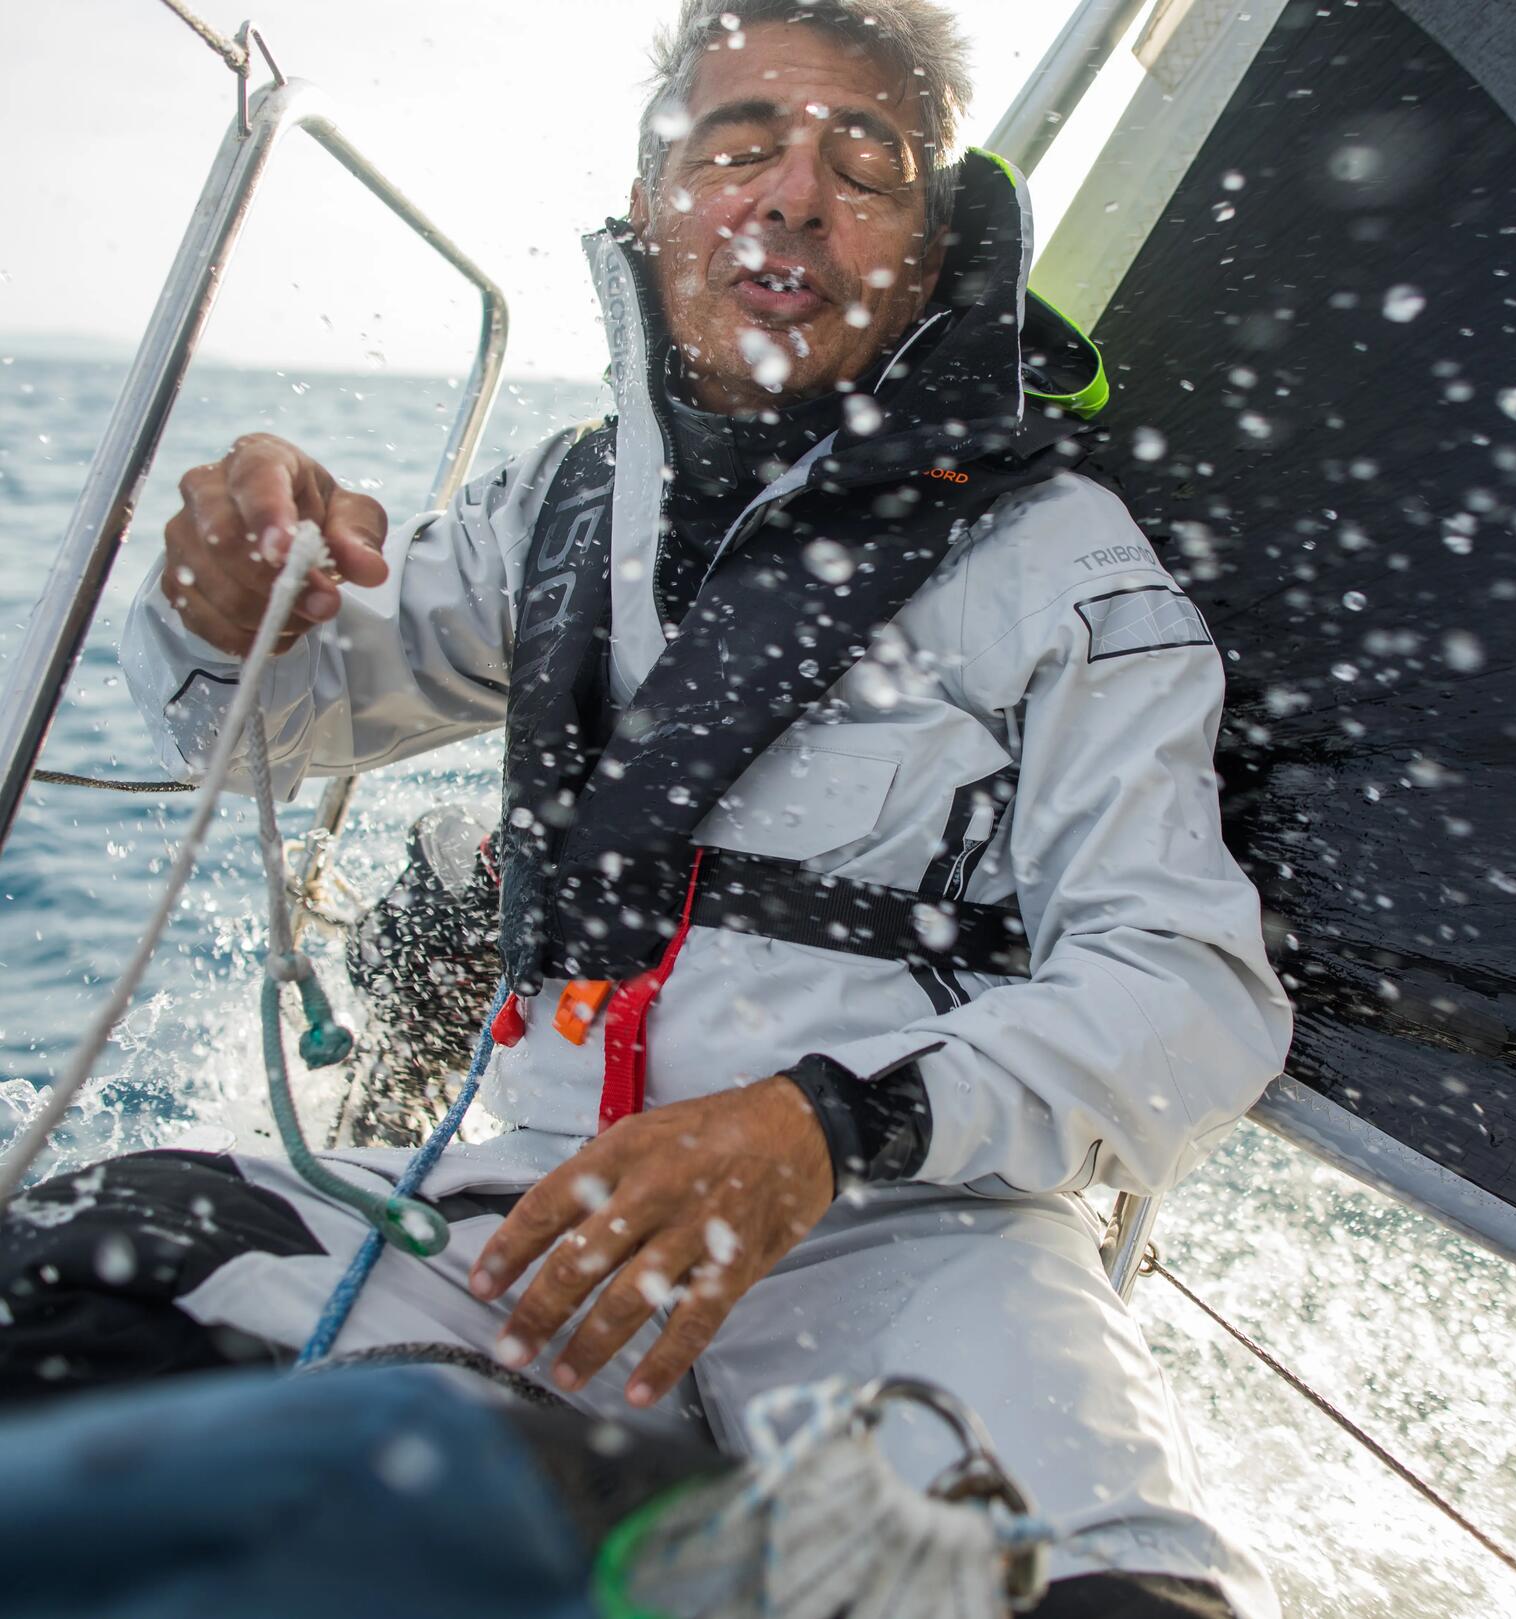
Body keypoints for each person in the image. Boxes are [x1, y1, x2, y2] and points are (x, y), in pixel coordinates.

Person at [1, 2, 1291, 1613]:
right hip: (546, 1209)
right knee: (59, 1286)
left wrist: (821, 1126)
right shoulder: (556, 509)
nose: (793, 194)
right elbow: (271, 729)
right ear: (651, 201)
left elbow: (1189, 991)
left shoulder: (1069, 569)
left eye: (866, 163)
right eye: (739, 144)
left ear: (933, 238)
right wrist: (221, 603)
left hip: (912, 1244)